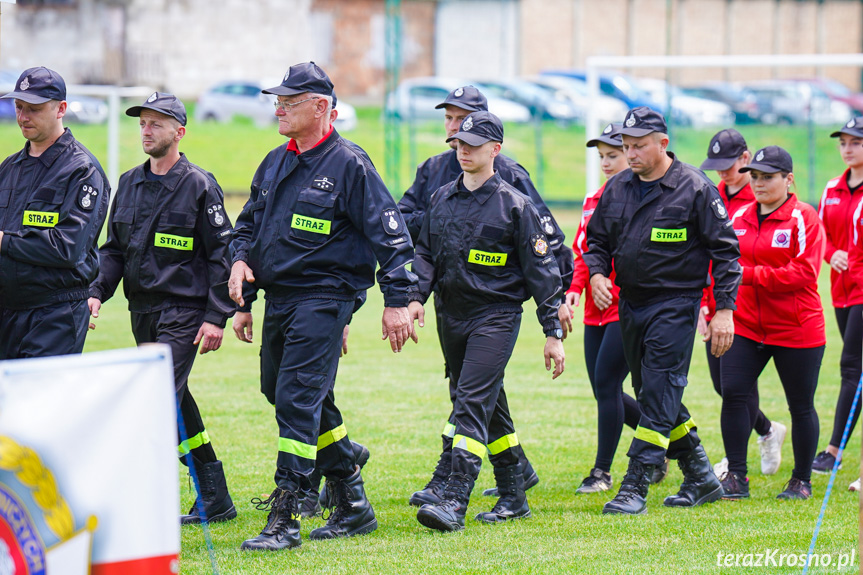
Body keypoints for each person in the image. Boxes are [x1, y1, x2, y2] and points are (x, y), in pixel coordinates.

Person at [228, 62, 417, 551]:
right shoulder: (274, 161)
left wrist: (398, 302)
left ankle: (286, 515)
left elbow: (393, 240)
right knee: (283, 391)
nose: (279, 109)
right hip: (281, 299)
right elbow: (246, 227)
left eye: (289, 102)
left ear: (320, 107)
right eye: (278, 101)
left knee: (295, 399)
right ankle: (351, 493)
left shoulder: (350, 164)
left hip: (326, 296)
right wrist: (242, 277)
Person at [400, 85, 573, 505]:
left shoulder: (513, 191)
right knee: (479, 397)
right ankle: (515, 487)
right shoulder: (439, 189)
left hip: (495, 312)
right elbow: (423, 247)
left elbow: (543, 256)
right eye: (452, 128)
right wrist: (414, 295)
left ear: (493, 146)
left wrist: (555, 319)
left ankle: (453, 491)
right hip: (451, 309)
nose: (458, 138)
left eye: (467, 130)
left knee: (473, 400)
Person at [87, 92, 237, 524]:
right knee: (175, 400)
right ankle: (214, 495)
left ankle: (136, 497)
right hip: (143, 311)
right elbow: (113, 250)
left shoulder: (199, 184)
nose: (146, 130)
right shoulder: (130, 182)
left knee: (153, 396)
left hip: (184, 311)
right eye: (142, 123)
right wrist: (96, 290)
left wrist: (215, 316)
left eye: (156, 123)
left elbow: (220, 258)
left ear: (179, 131)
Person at [583, 107, 740, 515]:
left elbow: (726, 254)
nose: (629, 154)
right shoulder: (617, 188)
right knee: (655, 391)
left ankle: (636, 483)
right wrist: (598, 275)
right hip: (629, 303)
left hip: (676, 303)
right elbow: (595, 241)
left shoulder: (695, 188)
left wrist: (724, 310)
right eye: (626, 147)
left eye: (638, 146)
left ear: (662, 144)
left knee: (658, 388)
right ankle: (702, 476)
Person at [561, 122, 665, 493]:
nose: (606, 162)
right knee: (604, 388)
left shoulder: (648, 197)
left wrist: (610, 284)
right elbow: (584, 253)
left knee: (608, 383)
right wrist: (576, 288)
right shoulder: (594, 199)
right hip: (596, 307)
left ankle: (601, 472)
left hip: (629, 307)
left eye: (614, 154)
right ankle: (671, 447)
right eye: (602, 156)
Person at [718, 146, 826, 500]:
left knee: (801, 405)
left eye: (768, 177)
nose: (759, 183)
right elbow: (722, 263)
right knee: (733, 393)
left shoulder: (803, 216)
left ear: (788, 179)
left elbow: (804, 272)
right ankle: (736, 477)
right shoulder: (740, 217)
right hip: (747, 324)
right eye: (756, 176)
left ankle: (801, 480)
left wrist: (748, 275)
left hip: (797, 327)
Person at [0, 66, 109, 359]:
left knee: (42, 402)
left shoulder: (82, 171)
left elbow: (67, 249)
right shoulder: (9, 169)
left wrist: (4, 241)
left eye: (34, 109)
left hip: (55, 315)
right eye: (19, 107)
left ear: (61, 108)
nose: (23, 117)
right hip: (7, 310)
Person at [698, 129, 786, 478]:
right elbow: (706, 257)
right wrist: (705, 308)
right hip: (713, 302)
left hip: (748, 308)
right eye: (716, 167)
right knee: (723, 385)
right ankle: (767, 430)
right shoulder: (710, 195)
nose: (722, 173)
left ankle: (736, 461)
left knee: (737, 385)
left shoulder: (759, 198)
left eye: (729, 165)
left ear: (746, 159)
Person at [812, 117, 863, 487]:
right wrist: (833, 254)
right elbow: (823, 236)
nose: (847, 148)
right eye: (843, 142)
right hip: (841, 291)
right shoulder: (832, 188)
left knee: (851, 366)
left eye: (855, 142)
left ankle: (834, 450)